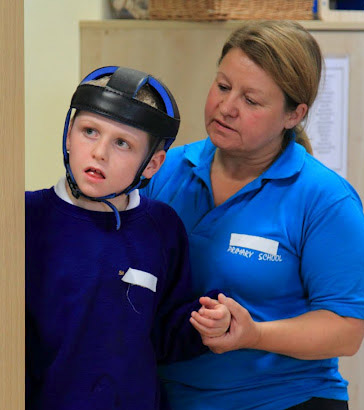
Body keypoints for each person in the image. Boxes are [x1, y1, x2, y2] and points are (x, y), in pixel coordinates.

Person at [141, 20, 364, 410]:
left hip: (284, 399)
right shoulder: (165, 168)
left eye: (252, 100)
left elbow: (346, 331)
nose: (227, 108)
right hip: (167, 397)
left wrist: (253, 334)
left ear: (293, 115)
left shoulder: (325, 200)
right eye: (223, 86)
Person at [25, 66, 231, 410]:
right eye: (89, 131)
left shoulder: (162, 228)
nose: (99, 152)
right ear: (67, 136)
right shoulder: (24, 216)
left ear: (151, 165)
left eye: (122, 143)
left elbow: (165, 334)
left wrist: (206, 322)